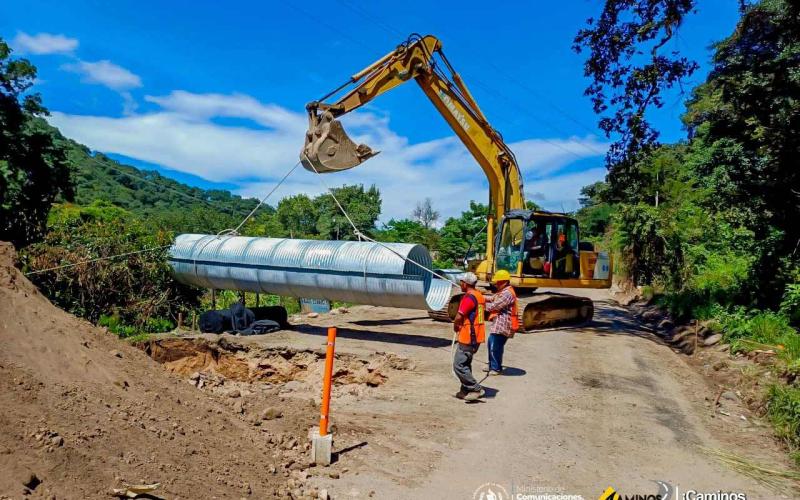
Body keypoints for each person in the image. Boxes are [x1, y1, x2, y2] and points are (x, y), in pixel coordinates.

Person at [452, 272, 486, 401]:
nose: (460, 284)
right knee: (465, 363)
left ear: (465, 283)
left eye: (461, 282)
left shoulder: (469, 298)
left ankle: (475, 388)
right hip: (476, 335)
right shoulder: (479, 296)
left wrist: (456, 326)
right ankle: (465, 390)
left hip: (468, 336)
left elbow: (459, 316)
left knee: (458, 365)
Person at [484, 269, 519, 375]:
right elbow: (492, 298)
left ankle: (496, 368)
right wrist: (478, 296)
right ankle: (492, 365)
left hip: (503, 324)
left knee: (495, 346)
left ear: (504, 282)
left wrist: (479, 303)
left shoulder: (507, 293)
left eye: (498, 282)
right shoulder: (503, 291)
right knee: (491, 343)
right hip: (498, 324)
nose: (496, 284)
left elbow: (494, 306)